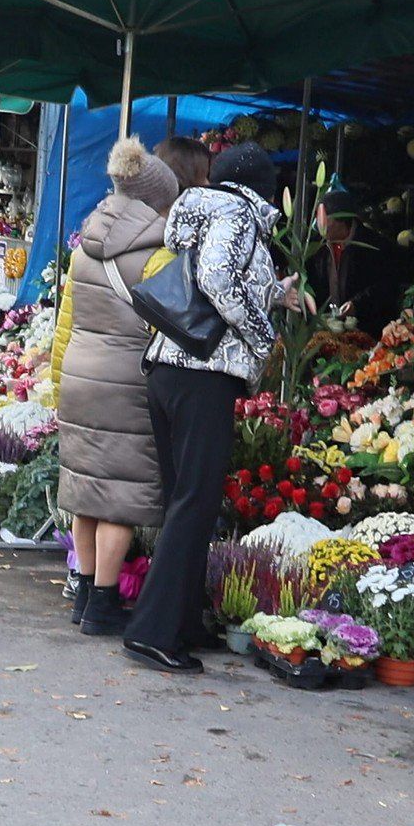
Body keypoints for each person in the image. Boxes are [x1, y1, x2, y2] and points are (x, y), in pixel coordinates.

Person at [123, 141, 283, 674]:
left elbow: (208, 278)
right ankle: (152, 632)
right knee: (194, 503)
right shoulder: (239, 214)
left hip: (170, 366)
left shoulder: (203, 210)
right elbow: (216, 280)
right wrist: (263, 336)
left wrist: (274, 291)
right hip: (203, 376)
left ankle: (183, 622)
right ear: (262, 187)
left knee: (183, 503)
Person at [48, 138, 181, 637]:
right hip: (127, 382)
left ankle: (83, 593)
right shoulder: (157, 255)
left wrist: (58, 382)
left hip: (81, 378)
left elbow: (66, 323)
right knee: (120, 499)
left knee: (84, 493)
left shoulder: (86, 248)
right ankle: (104, 601)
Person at [306, 188, 402, 332]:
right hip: (326, 330)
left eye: (324, 218)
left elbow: (385, 286)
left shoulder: (375, 246)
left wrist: (357, 305)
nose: (318, 224)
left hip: (365, 331)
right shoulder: (315, 247)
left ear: (342, 220)